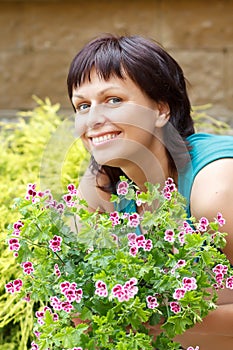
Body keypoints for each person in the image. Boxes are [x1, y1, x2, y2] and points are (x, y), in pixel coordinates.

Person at [67, 34, 233, 349]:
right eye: (83, 105)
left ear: (160, 110)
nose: (94, 119)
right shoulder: (102, 187)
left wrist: (144, 322)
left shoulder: (215, 190)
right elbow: (81, 307)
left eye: (113, 100)